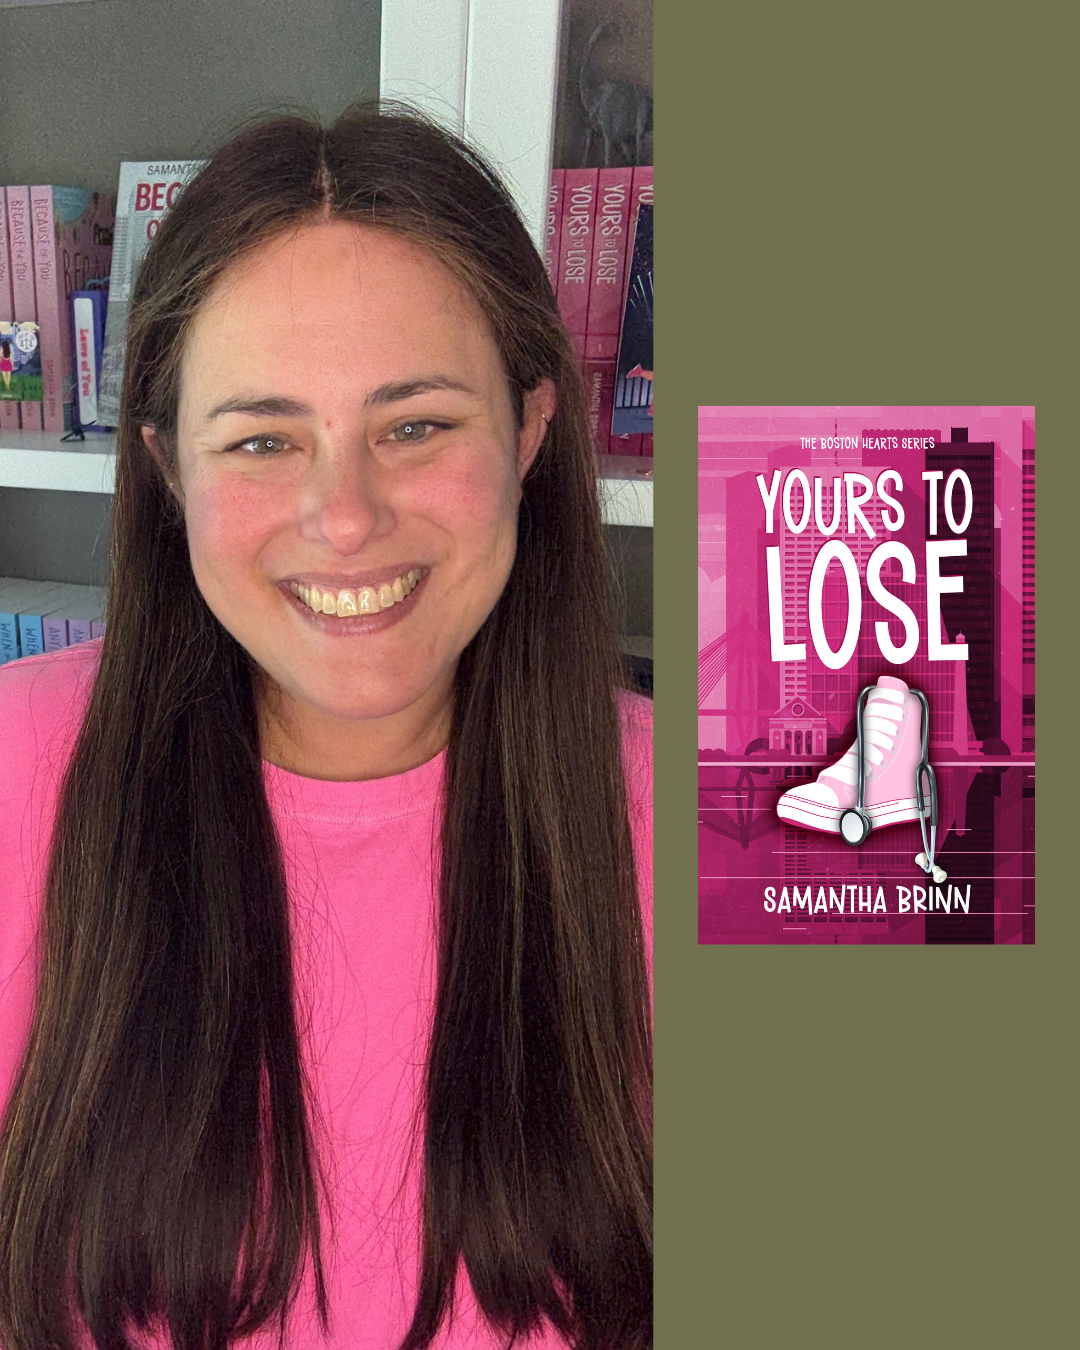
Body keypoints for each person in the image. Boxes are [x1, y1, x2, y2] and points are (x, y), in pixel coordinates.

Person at [0, 104, 652, 1350]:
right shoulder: (13, 772)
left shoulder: (750, 828)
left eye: (416, 427)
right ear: (167, 469)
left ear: (527, 430)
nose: (341, 516)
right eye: (260, 438)